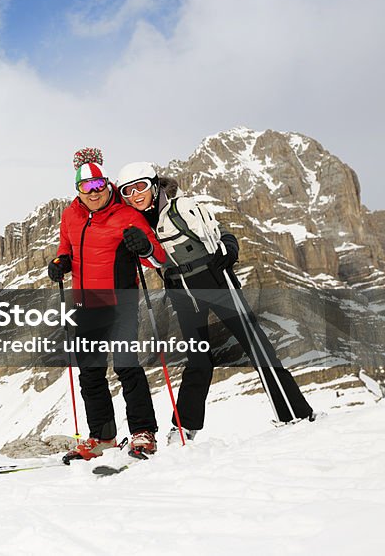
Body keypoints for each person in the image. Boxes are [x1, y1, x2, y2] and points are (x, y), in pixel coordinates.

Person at [115, 161, 314, 442]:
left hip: (215, 280)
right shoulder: (135, 222)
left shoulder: (181, 206)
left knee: (256, 346)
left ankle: (295, 413)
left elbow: (219, 233)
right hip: (181, 290)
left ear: (153, 183)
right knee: (199, 359)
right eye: (128, 191)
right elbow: (155, 258)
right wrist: (142, 248)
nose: (136, 195)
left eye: (141, 187)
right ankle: (184, 427)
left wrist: (229, 249)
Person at [49, 148, 166, 462]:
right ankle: (103, 437)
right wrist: (60, 263)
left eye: (99, 186)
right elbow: (66, 249)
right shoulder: (70, 214)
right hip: (85, 304)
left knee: (127, 366)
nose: (94, 193)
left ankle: (143, 432)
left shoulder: (126, 214)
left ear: (107, 184)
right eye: (86, 188)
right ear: (78, 191)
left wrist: (143, 246)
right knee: (90, 374)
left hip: (119, 301)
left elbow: (157, 258)